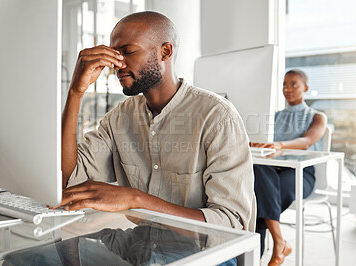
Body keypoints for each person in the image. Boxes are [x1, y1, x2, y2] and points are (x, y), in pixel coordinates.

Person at [59, 11, 255, 233]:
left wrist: (136, 200)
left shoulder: (217, 117)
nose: (117, 64)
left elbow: (231, 224)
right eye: (114, 54)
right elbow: (69, 179)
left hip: (201, 253)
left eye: (128, 51)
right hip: (137, 245)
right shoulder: (119, 118)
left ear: (165, 52)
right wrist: (76, 92)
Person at [249, 69, 327, 266]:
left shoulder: (317, 116)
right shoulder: (274, 116)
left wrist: (280, 145)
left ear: (305, 88)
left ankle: (255, 257)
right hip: (271, 170)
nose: (288, 89)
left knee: (259, 200)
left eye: (294, 84)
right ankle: (279, 243)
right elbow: (265, 144)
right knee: (259, 172)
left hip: (301, 173)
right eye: (285, 84)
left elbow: (308, 141)